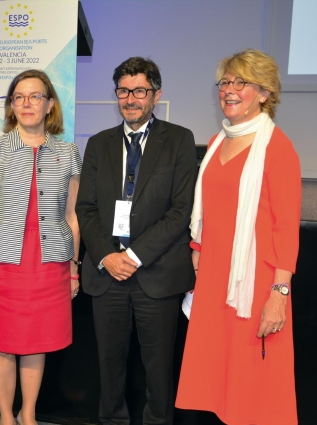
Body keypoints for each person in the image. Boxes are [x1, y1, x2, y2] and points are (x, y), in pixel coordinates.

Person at [175, 49, 302, 425]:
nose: (230, 90)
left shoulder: (278, 149)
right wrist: (196, 253)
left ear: (264, 93)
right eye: (225, 82)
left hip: (254, 284)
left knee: (254, 386)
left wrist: (279, 295)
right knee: (216, 383)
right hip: (214, 279)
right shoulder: (217, 143)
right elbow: (208, 210)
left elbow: (285, 227)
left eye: (241, 82)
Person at [76, 57, 197, 425]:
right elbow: (87, 208)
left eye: (139, 91)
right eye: (124, 91)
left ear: (155, 95)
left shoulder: (178, 140)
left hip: (156, 275)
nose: (131, 99)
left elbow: (180, 211)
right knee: (109, 367)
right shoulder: (98, 144)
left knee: (158, 371)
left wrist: (133, 255)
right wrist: (107, 257)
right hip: (106, 273)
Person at [0, 69, 81, 425]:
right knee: (2, 342)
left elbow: (72, 216)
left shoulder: (69, 152)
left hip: (50, 265)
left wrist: (74, 268)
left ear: (49, 105)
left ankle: (27, 415)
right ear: (12, 106)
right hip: (0, 264)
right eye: (19, 97)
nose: (27, 103)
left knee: (37, 341)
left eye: (35, 96)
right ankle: (5, 417)